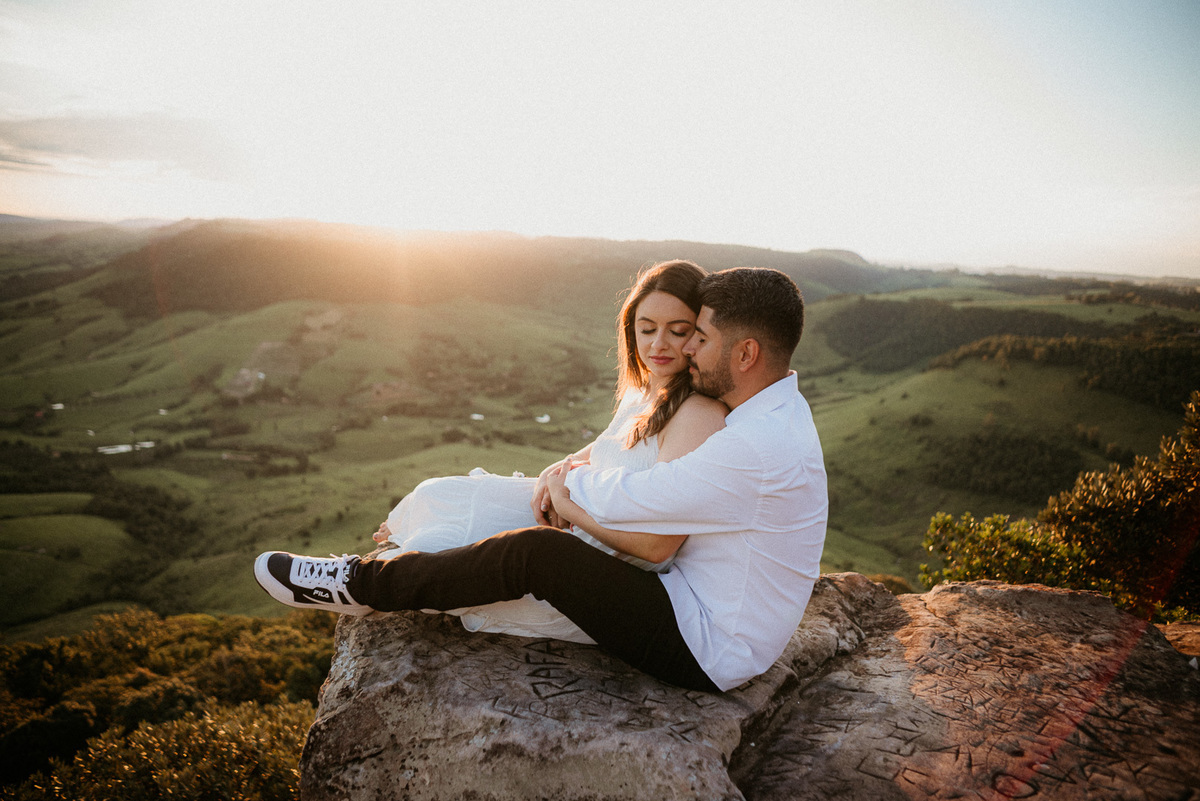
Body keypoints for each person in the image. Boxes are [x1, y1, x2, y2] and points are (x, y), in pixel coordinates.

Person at [255, 267, 827, 693]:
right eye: (661, 330)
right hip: (691, 604)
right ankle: (393, 564)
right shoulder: (771, 419)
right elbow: (627, 482)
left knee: (538, 554)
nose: (687, 350)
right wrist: (562, 478)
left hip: (708, 645)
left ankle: (361, 585)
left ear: (746, 352)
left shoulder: (754, 444)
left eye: (697, 337)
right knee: (474, 510)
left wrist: (568, 496)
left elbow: (645, 514)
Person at [364, 259, 726, 642]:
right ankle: (397, 540)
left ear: (700, 334)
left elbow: (659, 545)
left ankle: (362, 580)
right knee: (439, 493)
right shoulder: (645, 387)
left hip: (599, 565)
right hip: (577, 519)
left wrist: (567, 505)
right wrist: (563, 466)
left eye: (678, 331)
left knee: (434, 551)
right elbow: (619, 444)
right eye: (647, 329)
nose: (658, 344)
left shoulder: (698, 415)